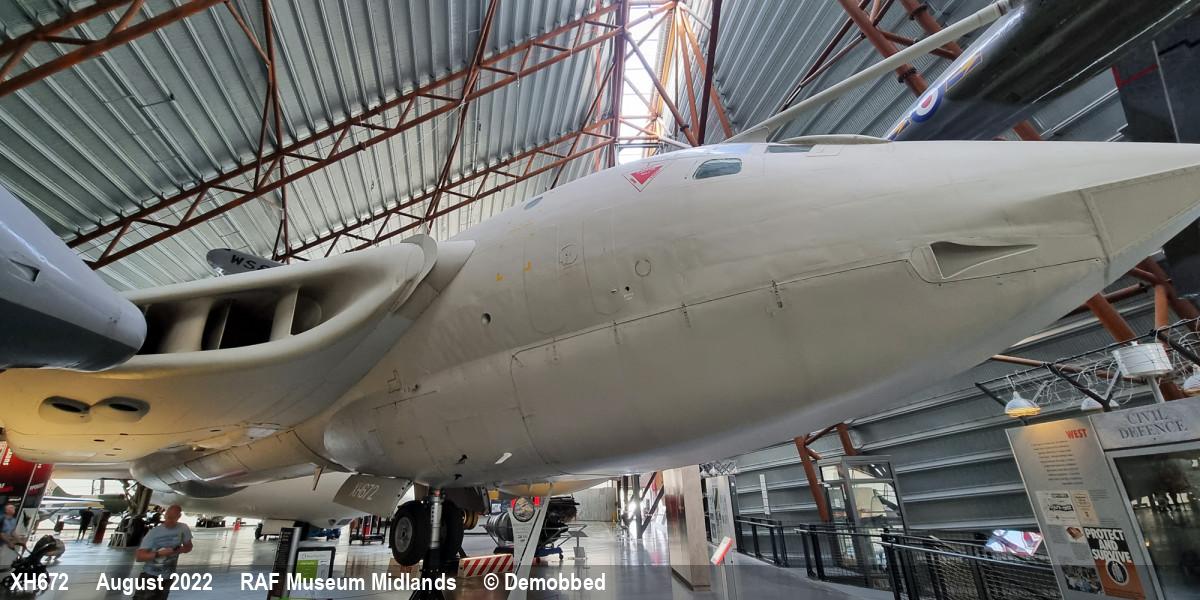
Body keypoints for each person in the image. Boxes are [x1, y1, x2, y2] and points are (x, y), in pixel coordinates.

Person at [134, 505, 192, 600]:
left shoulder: (183, 528)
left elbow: (188, 547)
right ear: (165, 515)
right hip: (150, 576)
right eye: (168, 517)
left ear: (179, 516)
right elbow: (139, 557)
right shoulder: (154, 532)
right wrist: (159, 554)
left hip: (168, 577)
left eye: (173, 518)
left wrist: (178, 550)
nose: (170, 520)